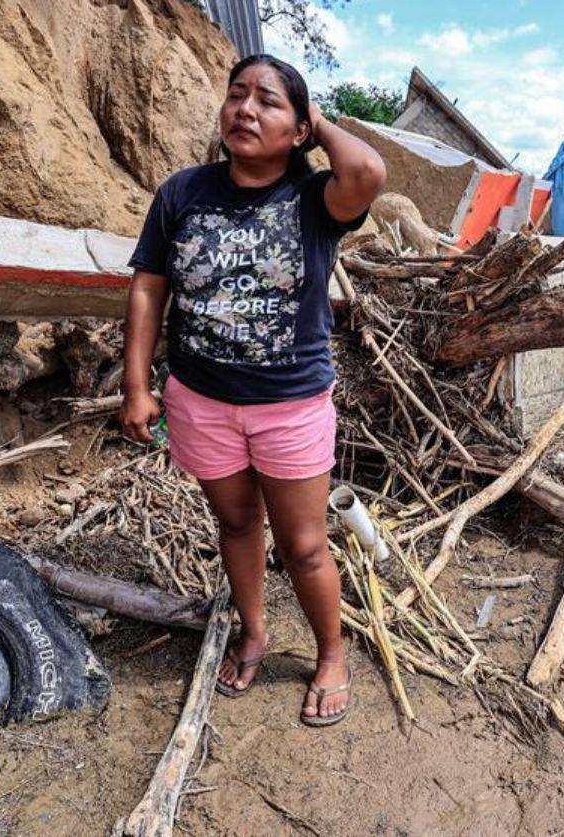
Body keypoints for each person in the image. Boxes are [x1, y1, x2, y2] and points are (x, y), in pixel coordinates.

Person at [120, 54, 385, 727]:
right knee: (236, 524)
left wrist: (315, 120)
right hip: (199, 400)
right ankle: (256, 630)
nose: (245, 108)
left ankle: (330, 653)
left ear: (300, 129)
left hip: (290, 406)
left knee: (303, 545)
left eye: (267, 101)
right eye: (236, 95)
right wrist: (137, 384)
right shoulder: (183, 192)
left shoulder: (316, 199)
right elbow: (150, 284)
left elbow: (369, 173)